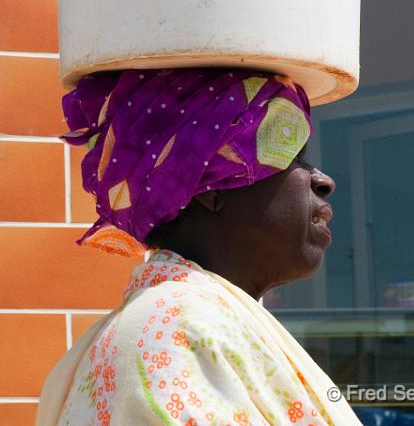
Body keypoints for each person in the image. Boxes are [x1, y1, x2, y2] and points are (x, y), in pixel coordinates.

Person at [37, 68, 361, 426]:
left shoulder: (177, 319)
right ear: (210, 189)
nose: (323, 180)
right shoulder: (179, 330)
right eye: (294, 157)